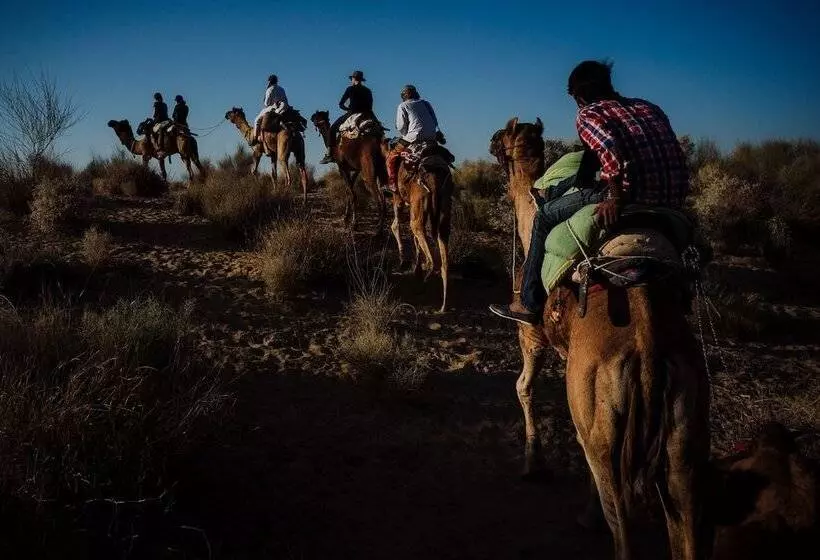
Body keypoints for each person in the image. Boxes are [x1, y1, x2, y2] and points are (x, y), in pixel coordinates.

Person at [489, 60, 690, 325]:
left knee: (545, 217)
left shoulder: (589, 113)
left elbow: (609, 150)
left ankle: (529, 303)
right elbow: (674, 153)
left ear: (579, 95)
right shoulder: (648, 107)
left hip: (626, 197)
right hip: (669, 201)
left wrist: (615, 198)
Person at [385, 84, 440, 193]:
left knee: (391, 156)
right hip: (432, 136)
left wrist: (406, 133)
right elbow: (435, 121)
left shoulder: (403, 105)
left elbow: (401, 127)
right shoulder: (426, 103)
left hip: (413, 137)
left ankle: (392, 184)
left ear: (404, 96)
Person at [319, 70, 374, 164]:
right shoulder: (368, 90)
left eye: (352, 78)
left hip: (352, 112)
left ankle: (329, 155)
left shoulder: (350, 89)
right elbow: (370, 105)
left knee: (332, 129)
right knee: (379, 128)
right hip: (367, 113)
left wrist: (347, 109)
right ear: (361, 79)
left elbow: (341, 104)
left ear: (353, 79)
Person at [251, 74, 288, 146]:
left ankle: (255, 139)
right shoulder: (282, 89)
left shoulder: (269, 89)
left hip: (274, 108)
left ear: (269, 82)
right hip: (285, 107)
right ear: (276, 81)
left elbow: (266, 103)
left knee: (257, 120)